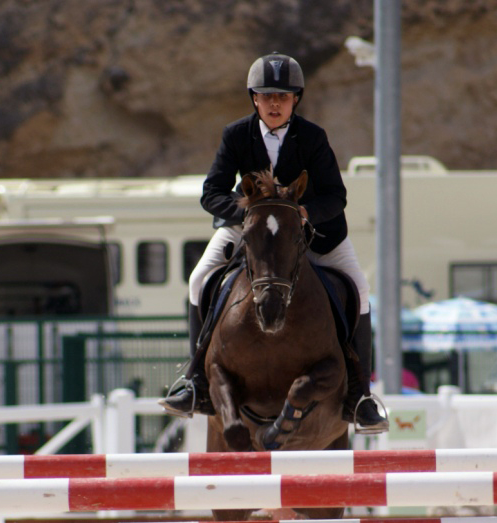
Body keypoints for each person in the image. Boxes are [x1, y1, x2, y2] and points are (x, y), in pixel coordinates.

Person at [158, 52, 389, 434]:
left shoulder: (313, 138)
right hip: (250, 228)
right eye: (267, 96)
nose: (275, 103)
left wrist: (304, 214)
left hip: (314, 231)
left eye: (283, 96)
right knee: (198, 279)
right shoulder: (236, 134)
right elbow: (211, 193)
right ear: (254, 98)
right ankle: (195, 381)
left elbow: (335, 195)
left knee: (360, 290)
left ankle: (359, 397)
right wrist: (247, 214)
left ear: (296, 99)